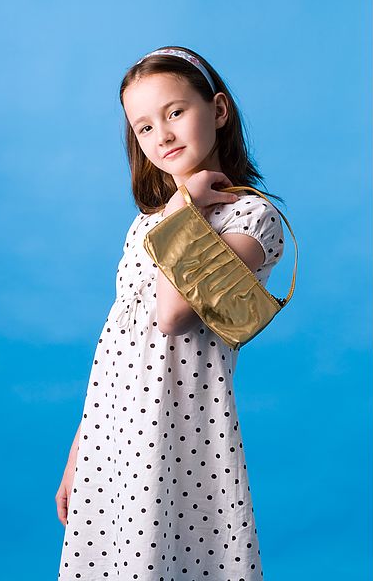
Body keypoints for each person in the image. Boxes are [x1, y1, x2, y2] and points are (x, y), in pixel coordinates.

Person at [55, 45, 286, 580]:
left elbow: (173, 313)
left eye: (175, 112)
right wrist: (78, 453)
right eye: (143, 126)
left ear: (219, 111)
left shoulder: (251, 219)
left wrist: (187, 208)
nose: (162, 134)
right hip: (111, 435)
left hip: (177, 435)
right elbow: (115, 344)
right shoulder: (147, 225)